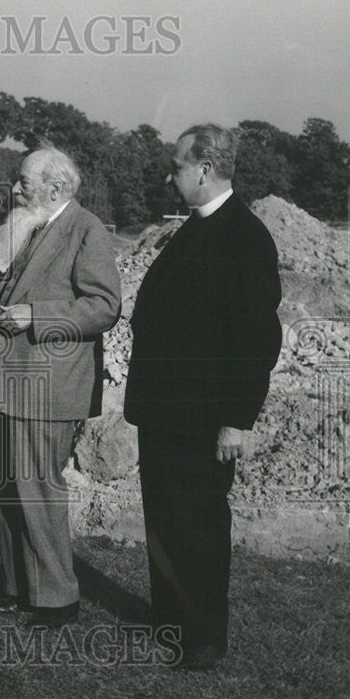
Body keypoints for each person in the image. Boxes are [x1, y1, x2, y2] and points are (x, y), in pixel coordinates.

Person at [0, 148, 121, 628]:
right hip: (14, 382)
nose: (14, 190)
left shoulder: (86, 230)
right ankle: (21, 590)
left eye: (22, 182)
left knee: (37, 488)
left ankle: (56, 600)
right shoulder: (37, 228)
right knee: (9, 486)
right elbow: (8, 295)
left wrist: (38, 316)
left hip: (49, 386)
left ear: (55, 188)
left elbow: (104, 306)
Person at [124, 124, 282, 670]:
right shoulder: (193, 229)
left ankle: (204, 637)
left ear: (205, 170)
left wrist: (236, 421)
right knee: (164, 523)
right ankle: (169, 624)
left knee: (199, 527)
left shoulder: (244, 236)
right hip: (165, 413)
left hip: (203, 418)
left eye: (176, 167)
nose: (170, 176)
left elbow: (256, 340)